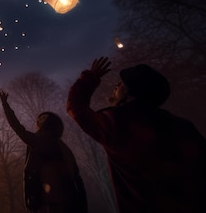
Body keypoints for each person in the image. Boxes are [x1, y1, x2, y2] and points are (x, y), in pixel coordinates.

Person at [67, 57, 206, 213]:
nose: (116, 85)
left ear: (133, 93)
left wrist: (90, 78)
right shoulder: (184, 127)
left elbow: (76, 108)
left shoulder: (119, 124)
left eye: (122, 84)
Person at [0, 90, 87, 213]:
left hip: (51, 203)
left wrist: (5, 105)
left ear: (43, 123)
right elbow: (77, 179)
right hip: (69, 202)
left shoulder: (41, 141)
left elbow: (18, 128)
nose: (36, 124)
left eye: (39, 121)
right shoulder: (63, 147)